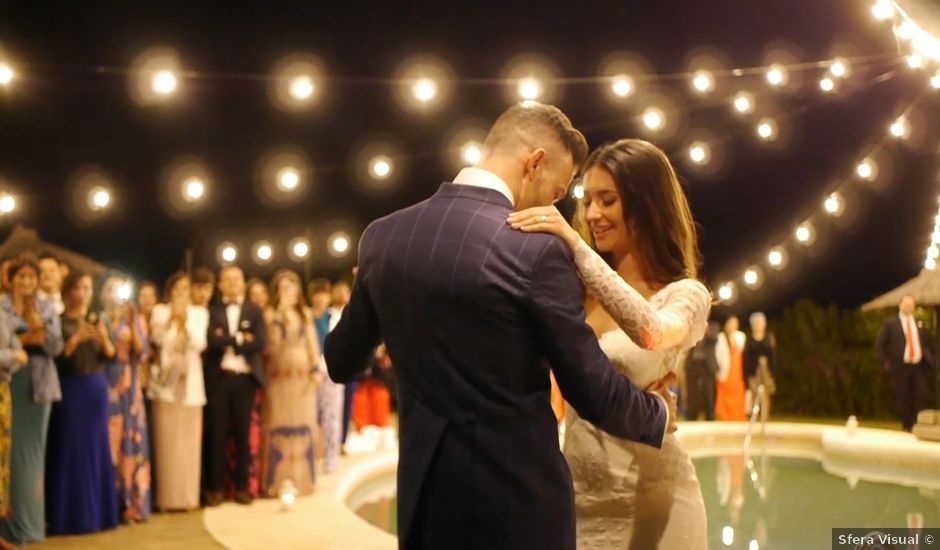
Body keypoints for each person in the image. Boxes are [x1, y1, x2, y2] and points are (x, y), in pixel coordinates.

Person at [325, 103, 675, 550]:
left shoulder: (383, 237)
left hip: (425, 504)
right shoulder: (534, 251)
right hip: (519, 512)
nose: (556, 207)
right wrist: (659, 412)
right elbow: (591, 390)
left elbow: (341, 361)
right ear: (534, 163)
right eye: (558, 191)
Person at [509, 138, 711, 548]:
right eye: (588, 201)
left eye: (608, 200)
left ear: (646, 205)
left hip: (657, 503)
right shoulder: (573, 289)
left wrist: (576, 246)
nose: (592, 214)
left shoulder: (685, 294)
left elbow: (652, 331)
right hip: (578, 499)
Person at [46, 270, 119, 534]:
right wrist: (75, 339)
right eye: (78, 288)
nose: (83, 293)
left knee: (97, 449)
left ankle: (100, 514)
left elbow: (112, 357)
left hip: (96, 387)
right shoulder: (58, 321)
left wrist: (104, 339)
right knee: (71, 449)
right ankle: (70, 517)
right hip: (70, 388)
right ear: (68, 291)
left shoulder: (99, 320)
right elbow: (56, 359)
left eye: (87, 288)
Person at [0, 256, 63, 544]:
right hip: (10, 381)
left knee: (34, 456)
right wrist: (27, 338)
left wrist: (38, 327)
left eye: (30, 277)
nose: (26, 282)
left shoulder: (47, 306)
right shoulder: (2, 306)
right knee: (8, 454)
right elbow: (9, 345)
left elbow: (55, 346)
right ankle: (9, 528)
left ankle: (32, 527)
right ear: (10, 278)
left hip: (40, 386)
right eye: (20, 276)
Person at [204, 266, 267, 506]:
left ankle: (242, 487)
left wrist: (228, 340)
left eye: (236, 279)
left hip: (245, 380)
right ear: (220, 285)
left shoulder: (254, 311)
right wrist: (241, 338)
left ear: (243, 283)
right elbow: (212, 340)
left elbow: (260, 341)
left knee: (243, 435)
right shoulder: (213, 310)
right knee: (217, 435)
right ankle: (216, 489)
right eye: (227, 280)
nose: (232, 283)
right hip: (220, 379)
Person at [149, 272, 208, 511]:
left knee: (188, 443)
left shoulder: (199, 313)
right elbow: (158, 339)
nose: (182, 292)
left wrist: (185, 324)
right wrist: (171, 321)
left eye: (186, 288)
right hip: (167, 380)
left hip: (190, 381)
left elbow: (199, 344)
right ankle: (166, 498)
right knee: (167, 442)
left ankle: (188, 497)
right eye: (178, 288)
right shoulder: (160, 311)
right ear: (171, 290)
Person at [261, 270, 320, 497]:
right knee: (279, 424)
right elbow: (272, 347)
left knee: (304, 425)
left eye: (292, 287)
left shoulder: (304, 314)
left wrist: (316, 369)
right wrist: (279, 314)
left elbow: (313, 345)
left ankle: (303, 482)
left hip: (303, 379)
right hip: (280, 379)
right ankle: (277, 482)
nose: (288, 291)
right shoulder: (270, 315)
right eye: (283, 287)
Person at [101, 275, 151, 523]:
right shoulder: (99, 319)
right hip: (107, 381)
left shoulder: (136, 318)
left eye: (119, 289)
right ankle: (111, 503)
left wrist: (132, 325)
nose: (115, 294)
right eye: (110, 289)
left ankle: (132, 503)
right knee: (110, 440)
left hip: (130, 384)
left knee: (132, 441)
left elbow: (142, 352)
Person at [876, 294, 931, 432]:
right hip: (900, 366)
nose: (908, 307)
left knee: (920, 395)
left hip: (917, 366)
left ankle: (920, 424)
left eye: (911, 304)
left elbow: (925, 343)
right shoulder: (890, 323)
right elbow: (880, 344)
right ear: (900, 305)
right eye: (906, 304)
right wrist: (886, 361)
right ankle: (907, 425)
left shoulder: (919, 322)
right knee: (903, 396)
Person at [0, 304, 27, 550]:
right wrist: (9, 357)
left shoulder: (3, 313)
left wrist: (12, 358)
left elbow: (21, 352)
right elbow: (14, 353)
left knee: (1, 460)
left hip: (2, 388)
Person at [308, 279, 343, 473]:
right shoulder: (306, 316)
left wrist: (321, 370)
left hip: (330, 374)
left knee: (332, 418)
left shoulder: (336, 317)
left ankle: (331, 460)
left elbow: (336, 346)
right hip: (309, 376)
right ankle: (311, 459)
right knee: (310, 418)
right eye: (317, 294)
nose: (320, 298)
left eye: (324, 294)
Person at [330, 280, 356, 447]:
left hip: (351, 365)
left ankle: (343, 441)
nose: (341, 295)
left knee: (347, 405)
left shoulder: (354, 315)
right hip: (329, 366)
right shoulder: (327, 315)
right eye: (337, 291)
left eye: (344, 291)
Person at [743, 312, 777, 422]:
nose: (758, 325)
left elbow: (773, 355)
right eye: (756, 322)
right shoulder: (749, 338)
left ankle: (765, 418)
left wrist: (773, 372)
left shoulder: (769, 337)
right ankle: (754, 418)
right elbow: (746, 357)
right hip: (753, 371)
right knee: (754, 394)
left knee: (766, 395)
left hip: (766, 371)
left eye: (761, 322)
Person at [685, 321, 720, 420]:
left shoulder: (713, 326)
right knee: (692, 391)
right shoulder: (693, 327)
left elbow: (714, 339)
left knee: (709, 391)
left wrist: (704, 328)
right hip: (693, 363)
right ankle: (692, 415)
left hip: (707, 365)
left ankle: (710, 415)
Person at [715, 316, 747, 421]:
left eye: (735, 323)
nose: (732, 326)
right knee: (724, 395)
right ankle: (725, 417)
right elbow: (718, 354)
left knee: (738, 394)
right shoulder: (721, 338)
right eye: (730, 323)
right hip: (725, 371)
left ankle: (737, 417)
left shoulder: (740, 337)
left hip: (737, 371)